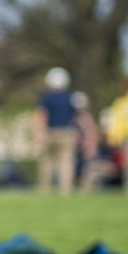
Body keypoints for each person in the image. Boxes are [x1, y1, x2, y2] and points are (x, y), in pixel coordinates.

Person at [34, 67, 79, 195]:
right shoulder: (71, 98)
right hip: (67, 133)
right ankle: (65, 191)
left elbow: (42, 115)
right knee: (66, 162)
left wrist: (38, 132)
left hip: (51, 133)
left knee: (47, 162)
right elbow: (76, 117)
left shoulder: (47, 98)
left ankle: (44, 190)